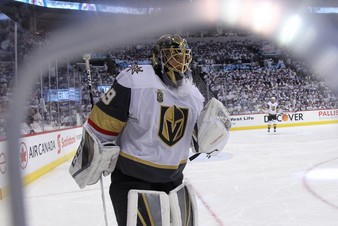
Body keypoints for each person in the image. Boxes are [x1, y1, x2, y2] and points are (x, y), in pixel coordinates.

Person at [69, 34, 230, 226]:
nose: (181, 61)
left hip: (174, 182)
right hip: (133, 180)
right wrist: (96, 153)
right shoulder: (135, 79)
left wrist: (211, 137)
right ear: (159, 57)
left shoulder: (193, 95)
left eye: (184, 56)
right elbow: (101, 125)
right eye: (175, 55)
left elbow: (197, 140)